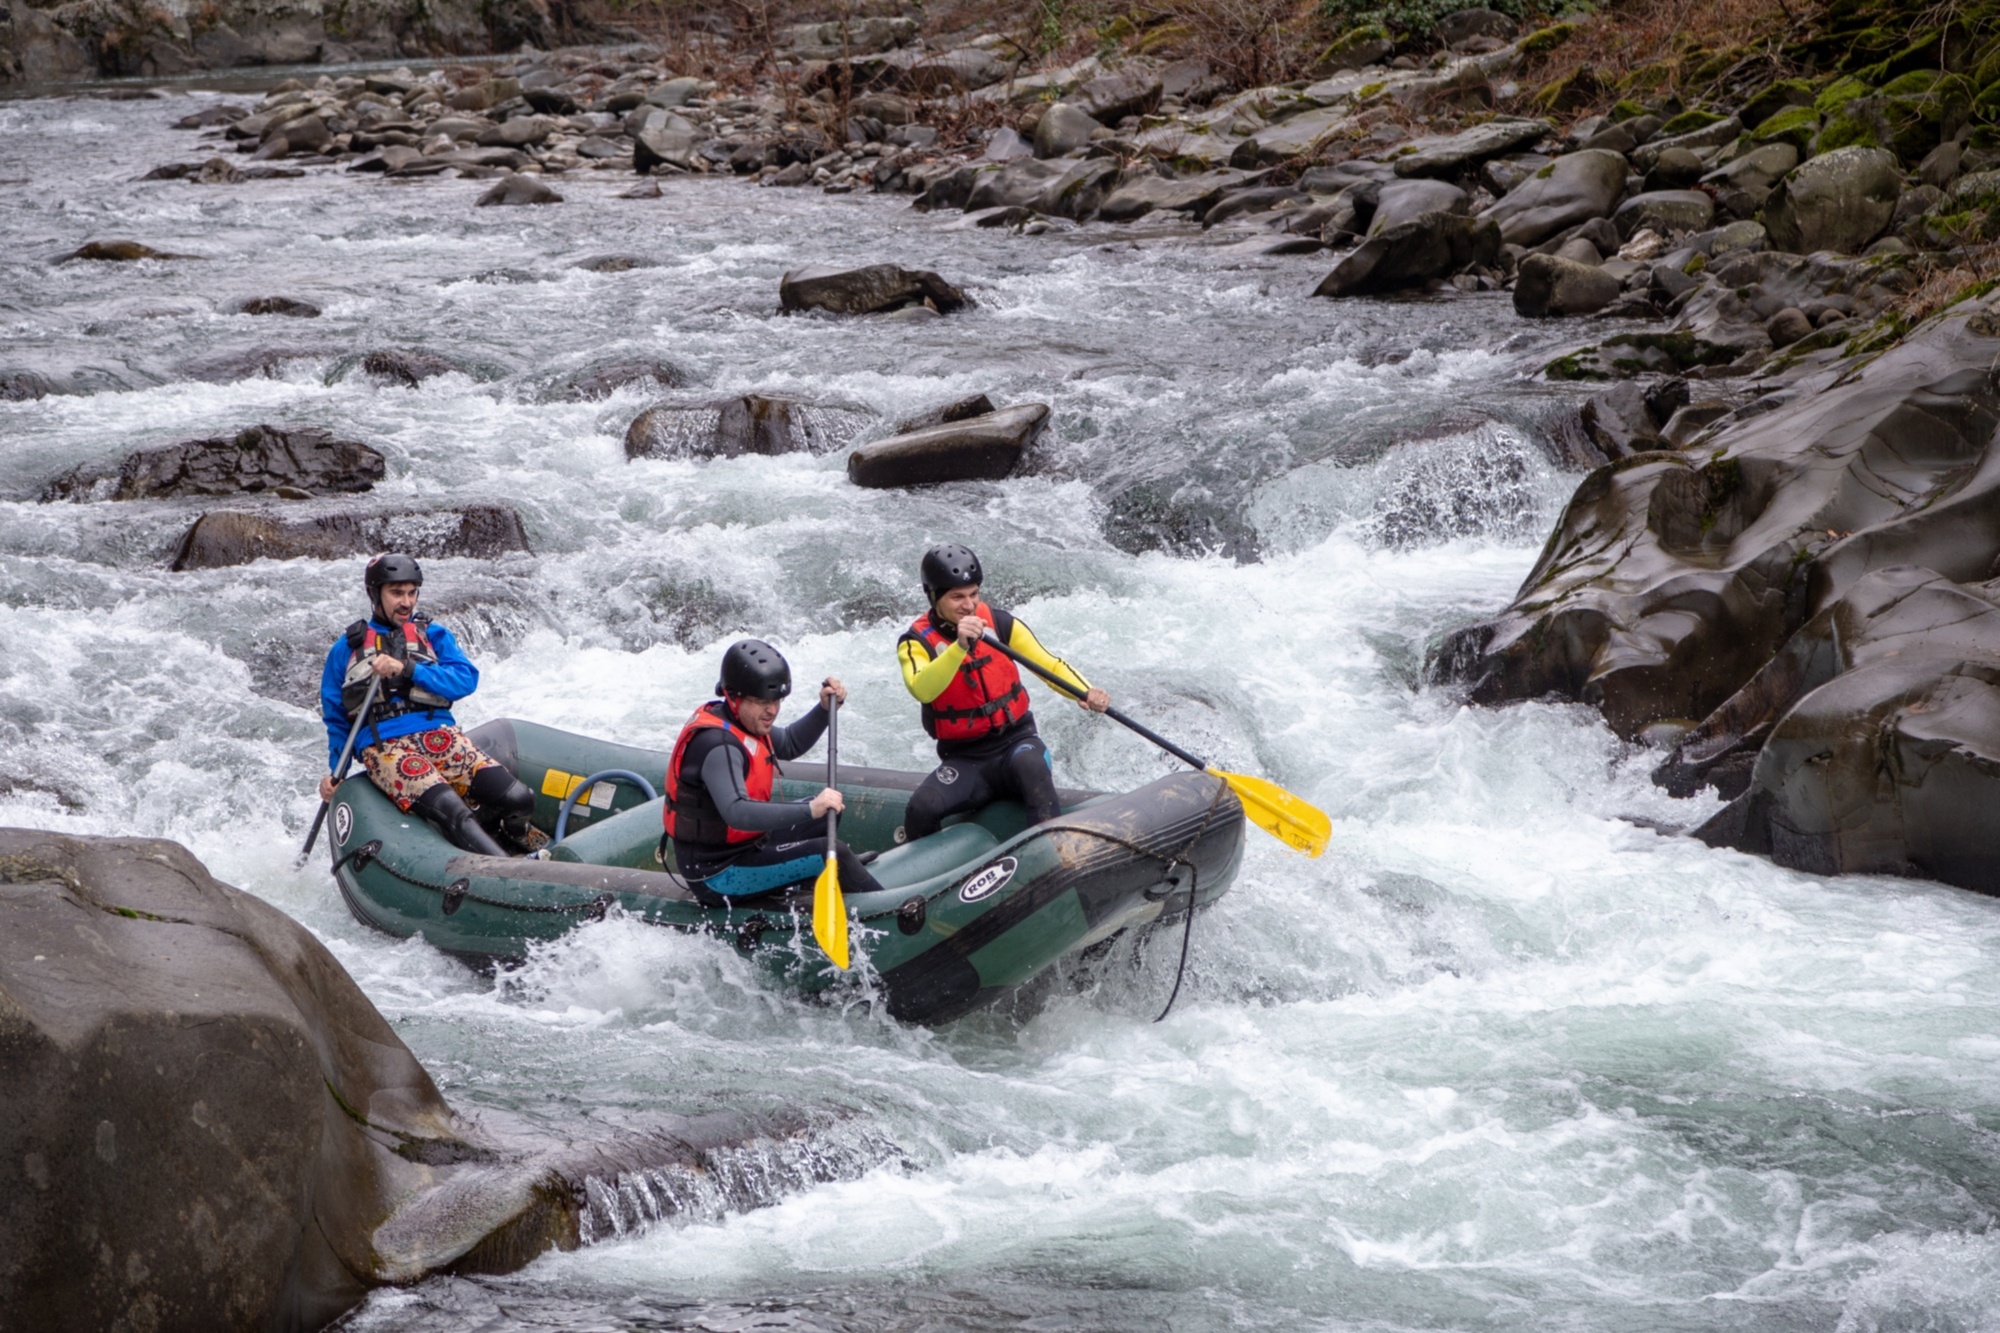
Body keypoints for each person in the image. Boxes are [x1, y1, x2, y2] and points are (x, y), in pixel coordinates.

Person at [318, 553, 536, 857]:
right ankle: (513, 875)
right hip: (386, 748)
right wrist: (334, 771)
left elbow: (465, 679)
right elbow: (337, 718)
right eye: (396, 593)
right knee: (454, 813)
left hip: (439, 735)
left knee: (519, 798)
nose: (406, 602)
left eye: (412, 592)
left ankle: (511, 839)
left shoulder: (433, 634)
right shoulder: (346, 650)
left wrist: (408, 669)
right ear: (375, 595)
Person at [896, 544, 1109, 843]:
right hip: (966, 759)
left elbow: (1048, 663)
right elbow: (922, 688)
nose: (968, 605)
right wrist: (959, 647)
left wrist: (1085, 691)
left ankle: (1053, 856)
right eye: (957, 597)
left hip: (1017, 744)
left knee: (1031, 766)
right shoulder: (915, 642)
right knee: (922, 807)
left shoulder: (1000, 623)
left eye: (973, 594)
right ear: (933, 597)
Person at [663, 638, 886, 906]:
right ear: (733, 696)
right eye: (760, 701)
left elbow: (790, 743)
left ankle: (819, 877)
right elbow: (738, 813)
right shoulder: (718, 745)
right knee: (830, 850)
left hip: (750, 846)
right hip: (718, 874)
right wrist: (809, 809)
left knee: (830, 812)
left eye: (776, 700)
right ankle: (890, 907)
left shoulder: (745, 722)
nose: (771, 710)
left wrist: (824, 710)